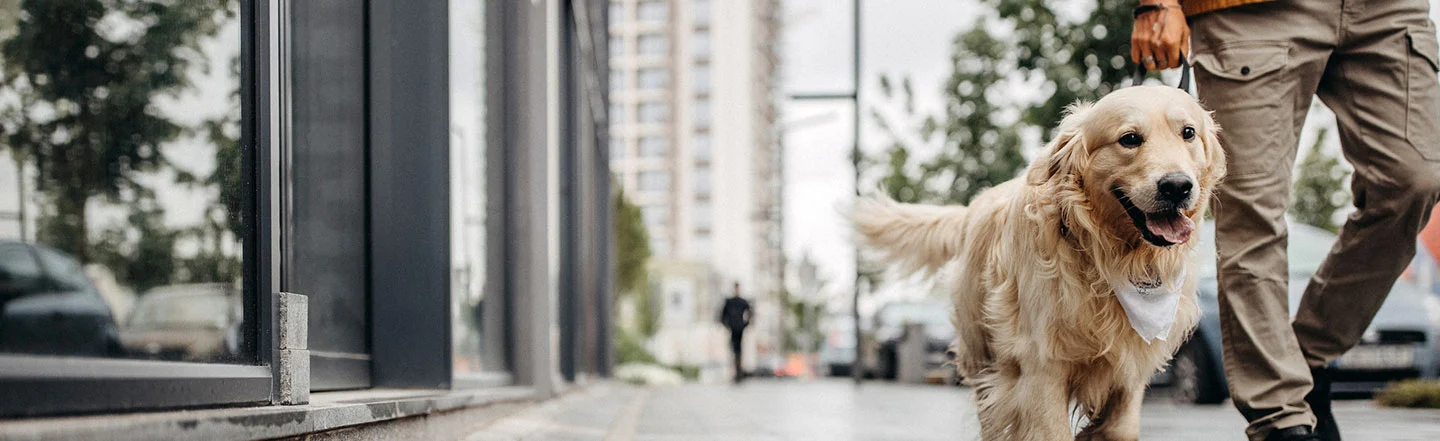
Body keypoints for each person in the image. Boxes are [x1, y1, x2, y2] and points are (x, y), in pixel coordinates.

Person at [1132, 1, 1440, 440]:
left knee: (1415, 180)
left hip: (1387, 11)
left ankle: (1307, 357)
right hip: (1252, 10)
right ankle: (1282, 420)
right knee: (1251, 212)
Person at [719, 282, 752, 382]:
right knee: (733, 349)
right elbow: (722, 315)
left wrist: (745, 324)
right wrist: (726, 324)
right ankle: (735, 371)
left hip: (740, 328)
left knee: (739, 350)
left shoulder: (742, 302)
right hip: (732, 328)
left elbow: (750, 312)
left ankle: (739, 371)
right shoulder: (729, 302)